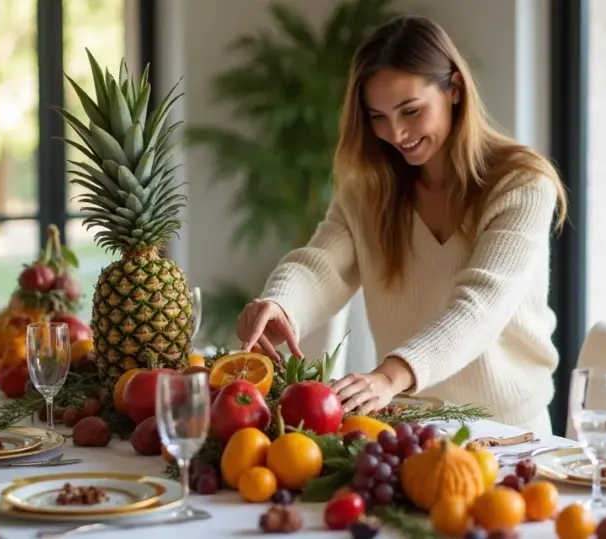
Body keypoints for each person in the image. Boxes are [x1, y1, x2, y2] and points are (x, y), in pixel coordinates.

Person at [235, 15, 568, 433]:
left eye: (411, 110)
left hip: (510, 433)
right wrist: (279, 303)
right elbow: (321, 264)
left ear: (455, 90)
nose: (396, 133)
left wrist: (390, 376)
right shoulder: (368, 188)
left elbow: (481, 306)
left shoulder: (522, 183)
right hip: (408, 426)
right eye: (377, 116)